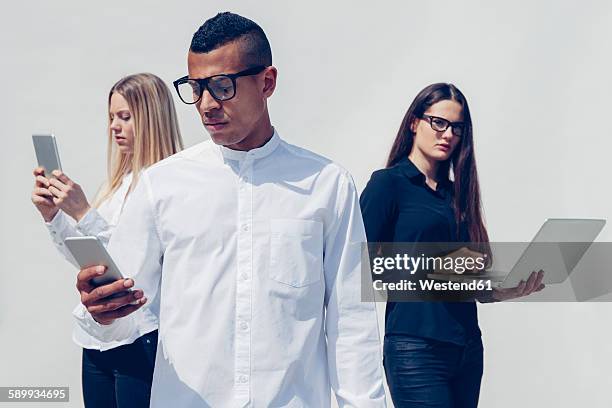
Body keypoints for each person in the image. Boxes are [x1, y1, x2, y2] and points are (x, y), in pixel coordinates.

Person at [72, 12, 386, 408]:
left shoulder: (327, 185)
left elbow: (352, 323)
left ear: (266, 82)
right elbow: (129, 314)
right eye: (195, 87)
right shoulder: (161, 185)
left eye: (221, 86)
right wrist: (102, 313)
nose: (206, 104)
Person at [360, 83, 544, 407]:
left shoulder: (458, 195)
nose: (448, 134)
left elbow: (466, 279)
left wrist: (506, 290)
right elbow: (360, 267)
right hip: (415, 348)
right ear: (415, 122)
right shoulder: (388, 185)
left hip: (467, 349)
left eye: (457, 128)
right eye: (439, 123)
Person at [31, 73, 183, 408]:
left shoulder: (170, 186)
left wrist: (84, 212)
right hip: (97, 341)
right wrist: (53, 216)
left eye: (125, 117)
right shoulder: (115, 186)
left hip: (141, 338)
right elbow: (94, 264)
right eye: (111, 117)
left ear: (151, 119)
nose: (114, 126)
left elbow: (133, 262)